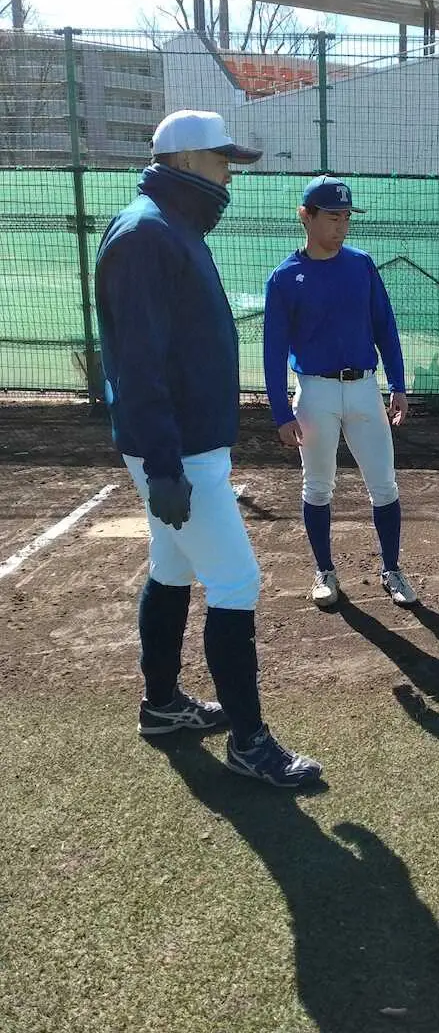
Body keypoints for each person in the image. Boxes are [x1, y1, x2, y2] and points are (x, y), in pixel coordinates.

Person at [94, 109, 323, 788]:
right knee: (236, 580)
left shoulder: (169, 224)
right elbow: (139, 364)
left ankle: (162, 706)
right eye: (223, 162)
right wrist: (164, 464)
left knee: (171, 569)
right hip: (178, 450)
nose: (230, 176)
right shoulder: (147, 232)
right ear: (188, 161)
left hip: (186, 445)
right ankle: (251, 744)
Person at [263, 174, 417, 609]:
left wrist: (399, 384)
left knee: (384, 486)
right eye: (332, 217)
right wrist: (280, 412)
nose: (341, 226)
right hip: (315, 393)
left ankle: (392, 569)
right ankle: (325, 571)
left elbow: (385, 327)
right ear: (305, 216)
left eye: (346, 217)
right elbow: (273, 352)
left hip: (365, 388)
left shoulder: (361, 264)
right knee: (317, 487)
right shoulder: (284, 278)